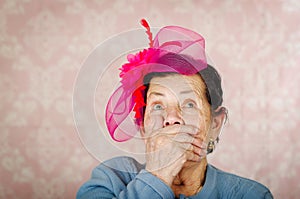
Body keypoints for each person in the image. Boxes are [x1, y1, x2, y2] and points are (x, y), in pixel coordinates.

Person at [76, 19, 273, 199]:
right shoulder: (112, 177)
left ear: (215, 124)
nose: (171, 118)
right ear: (143, 127)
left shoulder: (251, 194)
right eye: (158, 106)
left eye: (189, 104)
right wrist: (158, 173)